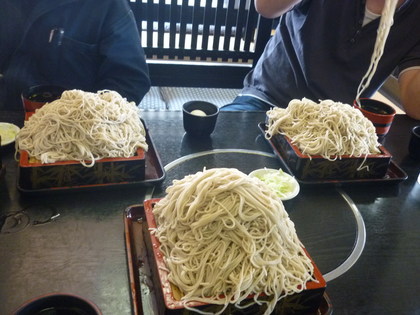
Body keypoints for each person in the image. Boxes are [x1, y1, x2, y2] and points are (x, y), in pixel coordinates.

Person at [221, 0, 420, 120]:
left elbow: (415, 104)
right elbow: (265, 6)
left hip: (336, 124)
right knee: (212, 155)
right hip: (267, 99)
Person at [0, 0, 151, 110]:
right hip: (7, 120)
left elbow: (129, 80)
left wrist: (86, 119)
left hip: (77, 130)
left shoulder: (107, 5)